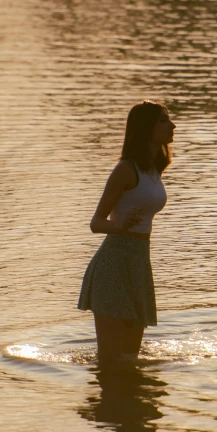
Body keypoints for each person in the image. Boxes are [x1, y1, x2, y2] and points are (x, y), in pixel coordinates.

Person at [78, 100, 175, 367]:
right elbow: (96, 223)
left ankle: (131, 406)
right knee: (110, 361)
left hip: (139, 264)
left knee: (130, 360)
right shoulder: (125, 169)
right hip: (114, 265)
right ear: (146, 128)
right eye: (163, 120)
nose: (172, 125)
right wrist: (119, 227)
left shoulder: (154, 169)